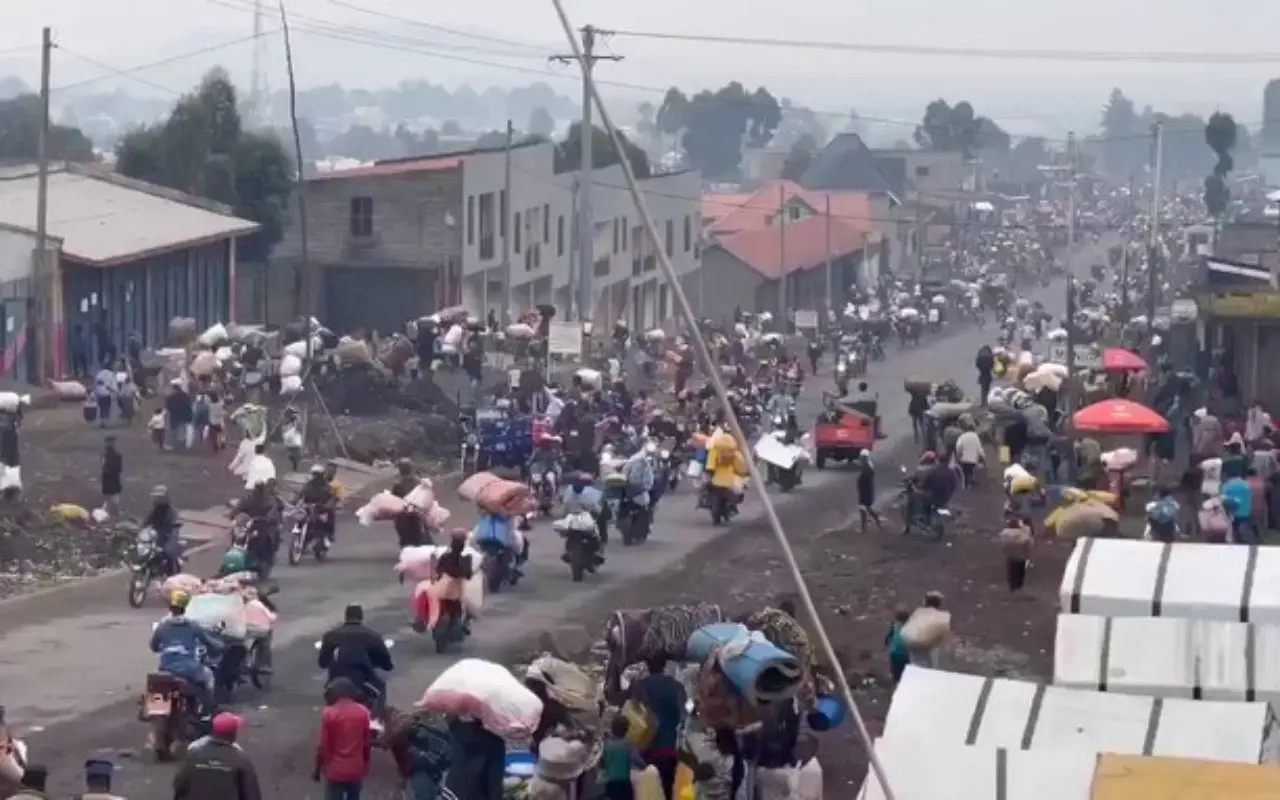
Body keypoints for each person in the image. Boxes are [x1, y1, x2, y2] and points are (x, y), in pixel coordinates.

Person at [150, 589, 224, 720]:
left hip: (166, 669)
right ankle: (206, 714)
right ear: (185, 606)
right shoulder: (192, 625)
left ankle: (156, 713)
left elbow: (154, 646)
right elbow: (210, 643)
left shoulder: (162, 626)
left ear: (170, 606)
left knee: (157, 690)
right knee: (209, 679)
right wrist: (220, 646)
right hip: (190, 669)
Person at [318, 605, 394, 710]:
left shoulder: (330, 636)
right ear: (361, 617)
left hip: (336, 682)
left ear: (346, 617)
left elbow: (322, 663)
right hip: (363, 684)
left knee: (326, 681)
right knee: (382, 682)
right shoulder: (373, 636)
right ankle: (379, 717)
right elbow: (388, 666)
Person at [631, 655, 687, 798]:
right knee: (668, 787)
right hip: (670, 746)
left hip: (646, 747)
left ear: (648, 665)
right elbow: (686, 711)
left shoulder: (640, 685)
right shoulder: (677, 686)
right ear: (664, 664)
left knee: (647, 789)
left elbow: (632, 712)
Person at [173, 712, 262, 800]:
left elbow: (179, 785)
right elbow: (252, 794)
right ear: (233, 734)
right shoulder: (241, 759)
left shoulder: (195, 753)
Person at [315, 677, 373, 800]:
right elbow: (366, 743)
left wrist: (317, 769)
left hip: (335, 771)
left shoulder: (329, 713)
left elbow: (322, 747)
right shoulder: (363, 712)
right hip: (356, 769)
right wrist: (365, 765)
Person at [601, 716, 644, 799]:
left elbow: (602, 762)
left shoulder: (607, 745)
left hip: (610, 782)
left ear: (612, 729)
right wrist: (645, 766)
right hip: (624, 782)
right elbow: (637, 760)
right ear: (626, 730)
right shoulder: (629, 745)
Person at [144, 485, 183, 575]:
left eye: (159, 497)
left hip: (167, 537)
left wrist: (172, 527)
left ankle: (173, 572)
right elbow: (146, 522)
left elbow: (174, 522)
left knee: (168, 552)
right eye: (156, 497)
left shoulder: (171, 512)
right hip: (155, 537)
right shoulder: (153, 511)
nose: (157, 500)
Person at [297, 464, 338, 545]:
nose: (315, 476)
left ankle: (330, 534)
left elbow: (332, 497)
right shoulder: (308, 485)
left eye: (317, 474)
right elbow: (301, 494)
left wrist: (328, 505)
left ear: (321, 475)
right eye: (314, 474)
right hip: (309, 507)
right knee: (300, 517)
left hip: (321, 508)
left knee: (330, 514)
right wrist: (296, 501)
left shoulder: (327, 486)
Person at [1223, 470, 1258, 544]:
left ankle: (1238, 542)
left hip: (1233, 513)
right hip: (1245, 512)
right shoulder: (1246, 484)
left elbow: (1224, 499)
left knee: (1234, 530)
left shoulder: (1226, 485)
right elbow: (1251, 495)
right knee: (1243, 529)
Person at [789, 733, 823, 800]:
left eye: (799, 746)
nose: (794, 748)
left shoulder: (812, 771)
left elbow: (808, 797)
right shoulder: (800, 763)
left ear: (810, 750)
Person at [855, 452, 883, 531]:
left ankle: (863, 528)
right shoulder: (867, 466)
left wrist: (860, 485)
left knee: (863, 509)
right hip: (866, 491)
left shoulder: (866, 467)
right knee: (867, 508)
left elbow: (865, 479)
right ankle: (876, 519)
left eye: (862, 457)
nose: (860, 459)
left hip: (865, 491)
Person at [885, 608, 910, 684]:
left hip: (894, 653)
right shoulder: (910, 627)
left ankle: (896, 683)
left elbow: (888, 637)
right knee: (906, 673)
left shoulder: (894, 625)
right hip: (906, 654)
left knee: (896, 673)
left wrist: (888, 646)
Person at [955, 425, 984, 489]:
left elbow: (958, 447)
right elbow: (979, 448)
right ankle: (969, 483)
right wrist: (982, 456)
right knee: (970, 470)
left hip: (964, 458)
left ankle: (965, 484)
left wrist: (958, 456)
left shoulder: (962, 437)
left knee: (965, 471)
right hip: (973, 458)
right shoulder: (976, 437)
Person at [100, 437, 123, 518]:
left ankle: (111, 512)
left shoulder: (114, 456)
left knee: (112, 498)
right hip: (110, 480)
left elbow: (117, 469)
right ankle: (114, 512)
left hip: (111, 479)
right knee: (111, 498)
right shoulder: (107, 455)